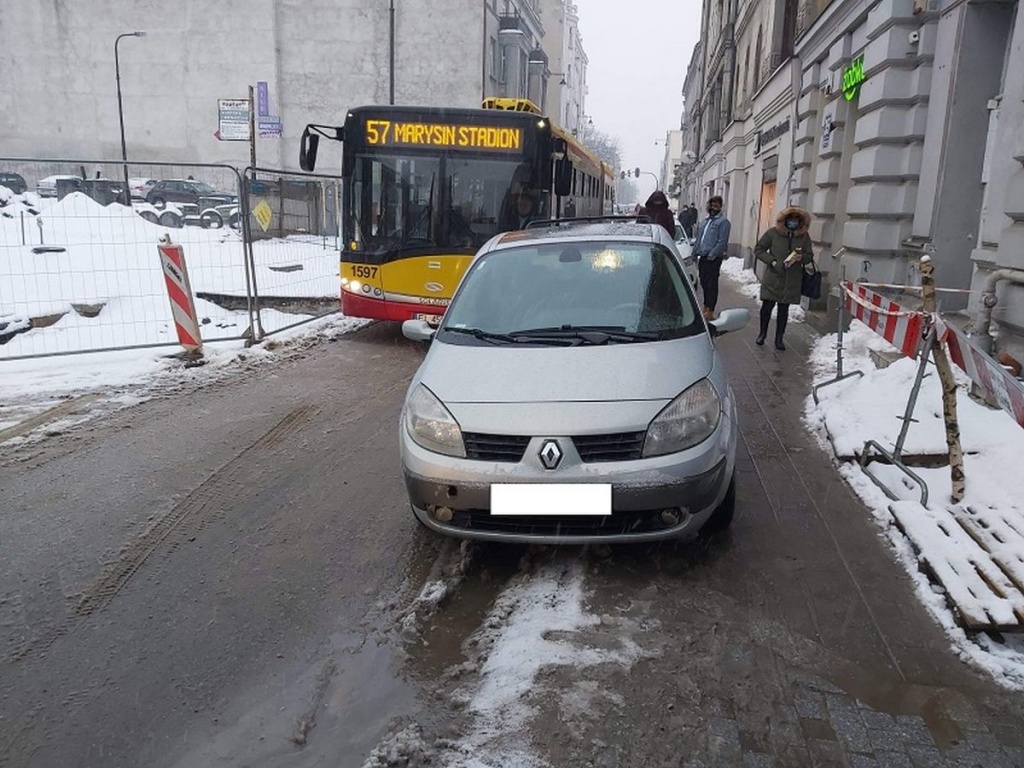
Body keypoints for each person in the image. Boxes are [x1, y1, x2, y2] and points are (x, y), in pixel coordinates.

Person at [753, 206, 814, 351]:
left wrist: (801, 258)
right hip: (773, 278)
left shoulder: (804, 236)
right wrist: (772, 261)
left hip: (791, 280)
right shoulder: (773, 233)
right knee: (767, 307)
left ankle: (779, 338)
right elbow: (759, 249)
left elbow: (809, 256)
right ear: (785, 220)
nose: (793, 222)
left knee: (783, 310)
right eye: (791, 220)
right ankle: (762, 333)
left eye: (796, 220)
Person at [693, 195, 731, 320]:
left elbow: (722, 241)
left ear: (720, 207)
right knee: (703, 282)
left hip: (713, 259)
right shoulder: (705, 221)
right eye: (711, 205)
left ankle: (710, 309)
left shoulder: (723, 222)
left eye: (716, 205)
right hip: (702, 257)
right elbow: (699, 238)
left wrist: (713, 254)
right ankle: (705, 305)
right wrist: (695, 252)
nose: (713, 207)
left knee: (712, 284)